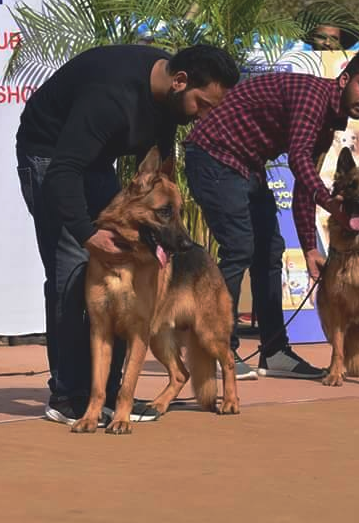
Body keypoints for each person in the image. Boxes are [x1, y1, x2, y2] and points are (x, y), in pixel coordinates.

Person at [15, 44, 240, 425]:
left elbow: (157, 165)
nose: (203, 116)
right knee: (72, 270)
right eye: (202, 105)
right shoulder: (111, 98)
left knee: (130, 270)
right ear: (180, 82)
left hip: (97, 160)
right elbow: (64, 170)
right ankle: (68, 395)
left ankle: (110, 396)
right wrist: (88, 234)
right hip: (50, 157)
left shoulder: (169, 102)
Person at [183, 47, 359, 380]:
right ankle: (217, 348)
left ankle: (273, 351)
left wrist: (310, 247)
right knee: (239, 249)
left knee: (270, 251)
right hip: (214, 155)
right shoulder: (313, 97)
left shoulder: (332, 120)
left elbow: (303, 183)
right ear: (344, 80)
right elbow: (298, 159)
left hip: (245, 166)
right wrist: (332, 204)